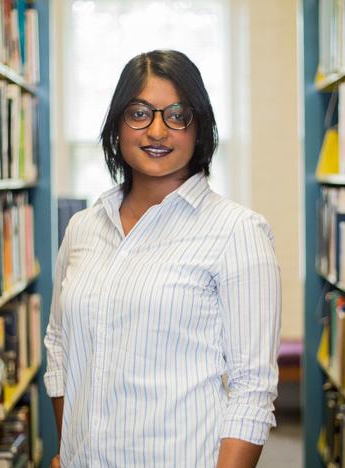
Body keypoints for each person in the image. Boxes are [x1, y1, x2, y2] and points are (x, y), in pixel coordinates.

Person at [43, 50, 281, 467]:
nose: (157, 131)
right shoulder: (82, 227)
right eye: (138, 113)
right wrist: (68, 449)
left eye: (176, 115)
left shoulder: (238, 231)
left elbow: (252, 389)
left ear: (199, 127)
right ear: (117, 125)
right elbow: (61, 348)